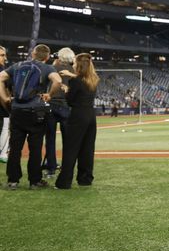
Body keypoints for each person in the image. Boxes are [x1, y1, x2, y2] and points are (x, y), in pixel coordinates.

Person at [0, 44, 62, 189]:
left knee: (15, 148)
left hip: (17, 111)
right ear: (47, 57)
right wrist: (49, 95)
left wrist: (4, 98)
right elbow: (58, 81)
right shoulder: (47, 68)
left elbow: (1, 77)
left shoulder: (17, 65)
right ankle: (35, 181)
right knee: (35, 148)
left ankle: (12, 181)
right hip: (36, 112)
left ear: (33, 54)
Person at [55, 54, 98, 190]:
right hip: (91, 116)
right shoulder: (94, 79)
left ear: (78, 65)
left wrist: (67, 90)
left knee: (71, 149)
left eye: (74, 64)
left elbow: (70, 101)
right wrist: (72, 76)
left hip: (78, 115)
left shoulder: (76, 81)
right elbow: (82, 82)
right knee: (87, 148)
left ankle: (64, 182)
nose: (73, 66)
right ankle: (85, 179)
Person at [42, 47, 75, 177]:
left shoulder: (49, 69)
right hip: (65, 106)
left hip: (51, 105)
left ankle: (51, 168)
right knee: (68, 139)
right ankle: (67, 168)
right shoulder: (71, 70)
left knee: (50, 138)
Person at [0, 46, 9, 163]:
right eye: (2, 55)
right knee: (5, 128)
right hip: (2, 107)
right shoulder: (2, 71)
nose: (5, 58)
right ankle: (3, 153)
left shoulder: (3, 68)